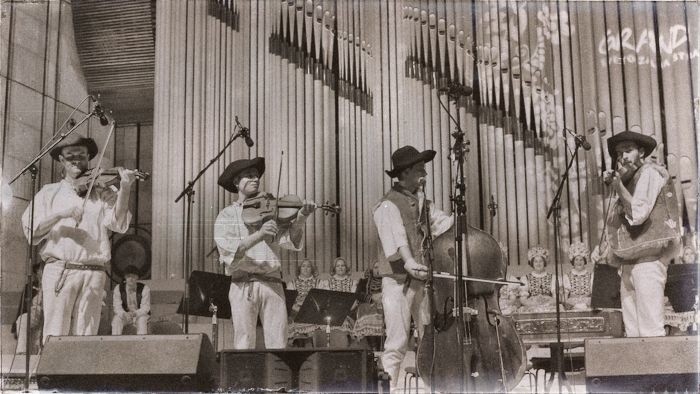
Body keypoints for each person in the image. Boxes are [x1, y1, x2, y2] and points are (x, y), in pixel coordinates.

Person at [22, 133, 135, 343]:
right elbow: (32, 231)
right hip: (60, 270)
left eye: (82, 156)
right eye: (71, 156)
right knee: (55, 332)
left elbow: (119, 224)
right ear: (61, 161)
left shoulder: (102, 191)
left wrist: (125, 190)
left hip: (94, 271)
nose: (77, 160)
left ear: (88, 159)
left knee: (87, 335)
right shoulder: (49, 192)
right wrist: (61, 214)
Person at [372, 145, 453, 385]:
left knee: (431, 340)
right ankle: (390, 389)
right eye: (420, 169)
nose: (424, 174)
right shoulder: (387, 204)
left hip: (422, 281)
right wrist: (409, 262)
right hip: (397, 283)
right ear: (405, 172)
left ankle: (434, 388)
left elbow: (444, 226)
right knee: (397, 342)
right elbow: (395, 240)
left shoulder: (424, 204)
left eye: (424, 169)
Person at [214, 157, 315, 349]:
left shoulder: (271, 211)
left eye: (257, 176)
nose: (256, 179)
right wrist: (260, 234)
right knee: (243, 342)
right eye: (249, 176)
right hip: (242, 284)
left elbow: (290, 241)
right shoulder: (227, 215)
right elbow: (229, 250)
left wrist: (301, 217)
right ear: (236, 182)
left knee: (278, 342)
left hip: (272, 282)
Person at [603, 130, 681, 337]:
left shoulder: (649, 173)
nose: (623, 157)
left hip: (648, 261)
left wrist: (618, 186)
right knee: (633, 331)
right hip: (629, 263)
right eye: (619, 153)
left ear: (642, 152)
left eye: (628, 150)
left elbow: (638, 214)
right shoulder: (631, 180)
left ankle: (656, 370)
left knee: (650, 329)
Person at [353, 261, 385, 350]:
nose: (378, 270)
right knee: (364, 308)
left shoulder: (389, 282)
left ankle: (382, 348)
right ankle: (373, 347)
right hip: (368, 307)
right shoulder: (363, 281)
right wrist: (372, 298)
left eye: (380, 267)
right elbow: (358, 294)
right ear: (371, 270)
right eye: (375, 267)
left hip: (385, 306)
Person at [12, 263, 43, 354]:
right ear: (36, 274)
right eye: (38, 272)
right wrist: (15, 326)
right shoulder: (29, 287)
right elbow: (22, 306)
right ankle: (22, 352)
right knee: (23, 319)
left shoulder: (55, 285)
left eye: (42, 271)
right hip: (35, 313)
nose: (40, 274)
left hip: (49, 314)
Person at [111, 265, 151, 335]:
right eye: (128, 276)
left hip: (140, 315)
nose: (131, 279)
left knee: (142, 321)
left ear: (137, 277)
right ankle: (116, 343)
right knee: (116, 320)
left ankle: (141, 344)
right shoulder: (118, 288)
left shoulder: (145, 288)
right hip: (125, 315)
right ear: (125, 277)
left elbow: (145, 307)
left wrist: (135, 313)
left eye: (133, 276)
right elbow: (117, 307)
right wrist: (124, 314)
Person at [519, 246, 557, 313]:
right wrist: (534, 305)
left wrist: (546, 305)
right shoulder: (525, 278)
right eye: (536, 261)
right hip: (532, 306)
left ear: (544, 262)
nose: (538, 264)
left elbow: (556, 298)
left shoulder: (553, 277)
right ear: (532, 263)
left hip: (548, 306)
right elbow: (523, 300)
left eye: (541, 261)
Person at [563, 241, 594, 311]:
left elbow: (593, 294)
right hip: (572, 305)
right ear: (573, 262)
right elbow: (565, 295)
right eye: (576, 260)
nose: (579, 262)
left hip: (587, 305)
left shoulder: (591, 275)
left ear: (585, 261)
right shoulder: (567, 276)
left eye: (581, 260)